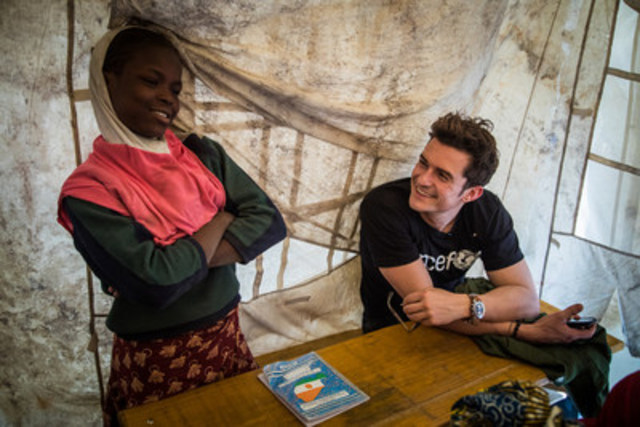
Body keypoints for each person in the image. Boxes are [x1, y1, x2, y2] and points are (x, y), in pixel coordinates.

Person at [57, 26, 286, 425]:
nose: (168, 97)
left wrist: (175, 258)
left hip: (225, 337)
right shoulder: (89, 191)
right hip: (155, 359)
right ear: (108, 81)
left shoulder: (201, 155)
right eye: (151, 80)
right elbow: (156, 284)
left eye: (176, 89)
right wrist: (219, 219)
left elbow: (268, 222)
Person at [359, 112, 596, 344]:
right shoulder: (384, 208)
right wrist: (519, 330)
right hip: (394, 329)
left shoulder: (487, 211)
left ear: (471, 193)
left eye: (442, 175)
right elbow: (430, 309)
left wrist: (465, 305)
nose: (422, 179)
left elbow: (527, 301)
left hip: (465, 319)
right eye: (423, 163)